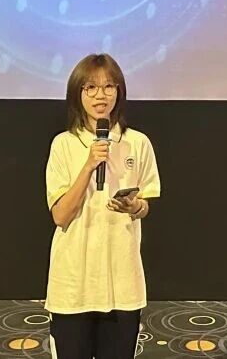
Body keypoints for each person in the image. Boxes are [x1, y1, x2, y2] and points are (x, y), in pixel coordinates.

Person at [44, 53, 161, 359]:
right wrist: (88, 165)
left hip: (122, 282)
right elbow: (60, 216)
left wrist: (135, 207)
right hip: (73, 285)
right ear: (78, 93)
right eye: (91, 88)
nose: (101, 95)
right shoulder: (63, 144)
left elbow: (145, 205)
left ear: (119, 92)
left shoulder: (138, 143)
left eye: (109, 87)